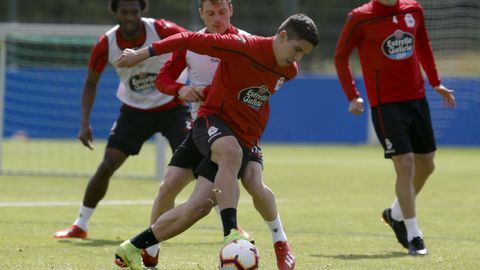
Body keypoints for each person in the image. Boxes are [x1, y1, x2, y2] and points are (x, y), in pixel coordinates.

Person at [114, 13, 319, 269]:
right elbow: (188, 38)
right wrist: (140, 54)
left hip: (247, 134)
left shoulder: (289, 70)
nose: (297, 57)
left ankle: (132, 247)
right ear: (282, 36)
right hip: (212, 121)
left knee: (198, 207)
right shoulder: (243, 46)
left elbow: (249, 93)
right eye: (297, 49)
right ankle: (232, 233)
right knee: (227, 157)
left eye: (303, 54)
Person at [53, 0, 190, 240]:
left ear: (142, 12)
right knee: (108, 164)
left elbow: (193, 41)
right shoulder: (106, 44)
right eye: (124, 12)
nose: (129, 17)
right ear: (115, 12)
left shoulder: (162, 29)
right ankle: (80, 225)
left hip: (172, 107)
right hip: (134, 111)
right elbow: (91, 83)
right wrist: (84, 123)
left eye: (134, 12)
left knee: (198, 164)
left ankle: (229, 226)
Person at [334, 0, 455, 256]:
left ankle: (395, 214)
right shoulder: (360, 17)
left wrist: (435, 82)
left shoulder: (414, 10)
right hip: (385, 105)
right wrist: (352, 95)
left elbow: (423, 45)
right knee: (406, 163)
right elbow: (341, 55)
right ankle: (415, 236)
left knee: (427, 165)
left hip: (417, 99)